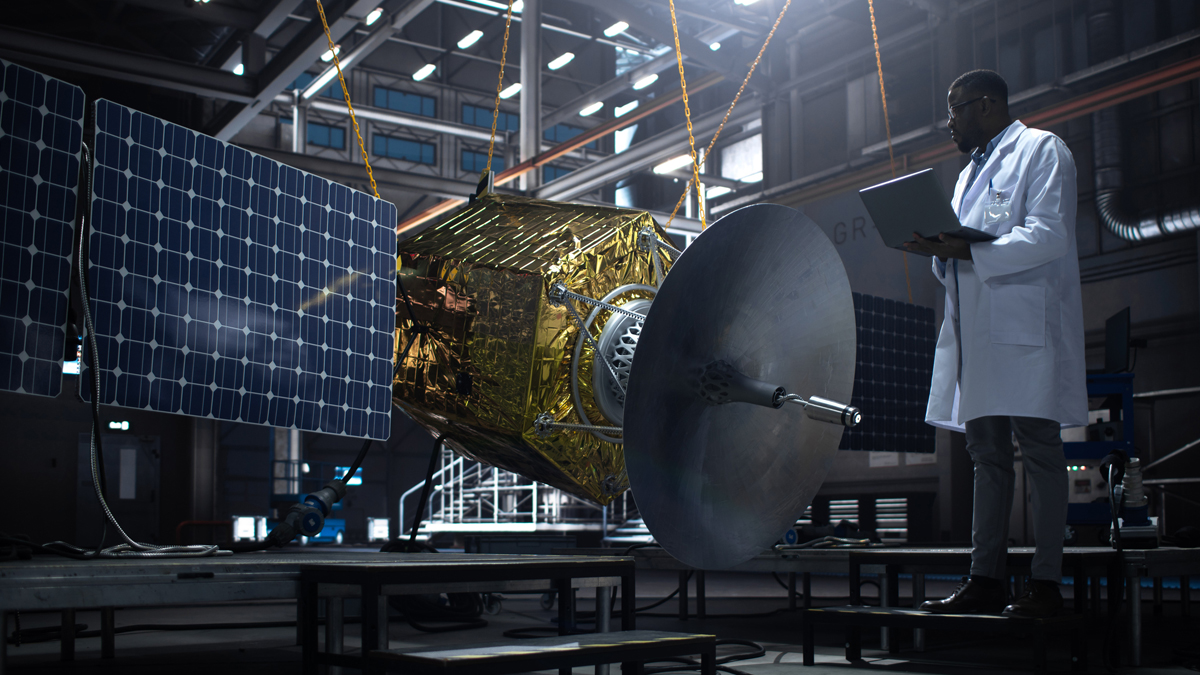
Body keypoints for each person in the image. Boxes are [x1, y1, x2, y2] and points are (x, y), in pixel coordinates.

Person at [904, 69, 1087, 618]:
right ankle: (985, 578)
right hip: (976, 334)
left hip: (1025, 329)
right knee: (985, 454)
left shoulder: (1042, 151)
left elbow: (1049, 233)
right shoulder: (965, 178)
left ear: (985, 106)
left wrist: (968, 253)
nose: (950, 121)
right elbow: (959, 261)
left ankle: (1047, 585)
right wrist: (938, 252)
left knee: (1039, 450)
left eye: (955, 109)